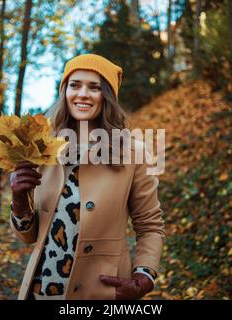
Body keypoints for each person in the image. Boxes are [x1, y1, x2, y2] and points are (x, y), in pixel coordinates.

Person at [9, 53, 165, 300]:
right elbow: (28, 236)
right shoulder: (41, 149)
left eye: (94, 87)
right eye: (75, 85)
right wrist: (19, 201)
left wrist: (144, 277)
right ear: (65, 92)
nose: (82, 94)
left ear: (108, 96)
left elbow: (150, 225)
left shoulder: (133, 152)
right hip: (44, 289)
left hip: (101, 291)